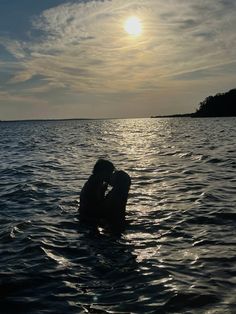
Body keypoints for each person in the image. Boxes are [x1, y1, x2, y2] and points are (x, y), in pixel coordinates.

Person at [78, 159, 115, 229]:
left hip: (86, 215)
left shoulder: (95, 181)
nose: (111, 175)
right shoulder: (95, 184)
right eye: (110, 173)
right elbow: (96, 204)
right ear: (103, 172)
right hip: (89, 217)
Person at [101, 170, 131, 234]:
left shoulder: (115, 195)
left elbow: (105, 208)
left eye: (113, 175)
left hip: (112, 222)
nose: (110, 176)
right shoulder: (121, 192)